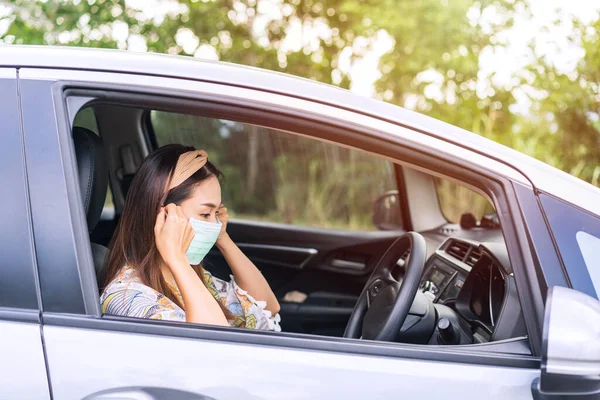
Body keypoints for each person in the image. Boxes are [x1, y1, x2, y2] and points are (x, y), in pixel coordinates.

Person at [100, 145, 281, 331]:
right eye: (205, 214)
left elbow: (267, 307)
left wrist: (223, 237)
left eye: (216, 212)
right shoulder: (127, 298)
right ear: (164, 215)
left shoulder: (195, 277)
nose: (215, 223)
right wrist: (176, 258)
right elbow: (216, 346)